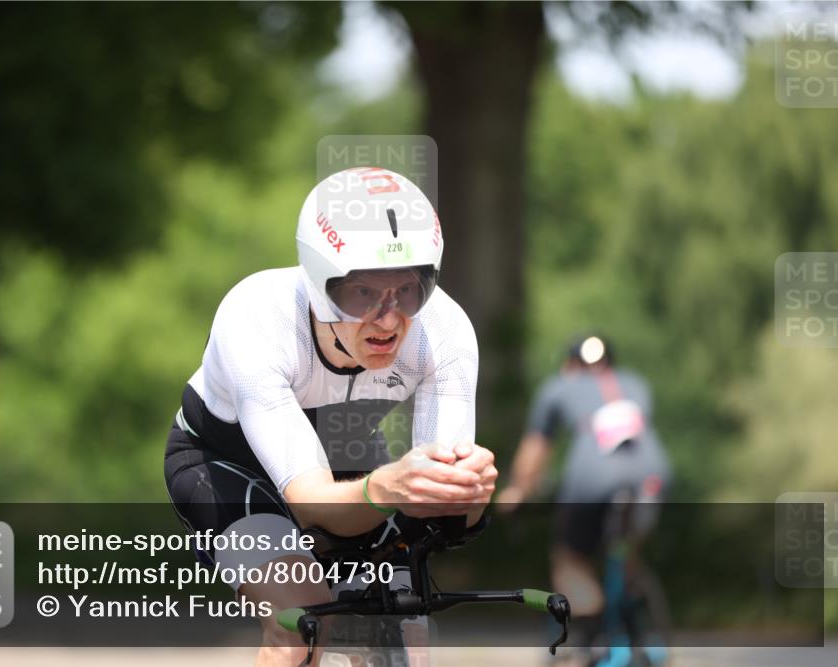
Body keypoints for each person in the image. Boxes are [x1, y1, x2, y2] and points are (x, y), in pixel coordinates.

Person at [164, 167, 497, 667]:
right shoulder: (256, 316)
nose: (389, 318)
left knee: (410, 632)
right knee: (302, 621)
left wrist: (466, 495)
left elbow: (446, 519)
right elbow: (309, 500)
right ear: (321, 285)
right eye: (363, 293)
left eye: (409, 290)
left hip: (346, 456)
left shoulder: (444, 330)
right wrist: (389, 489)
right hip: (226, 465)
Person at [496, 334, 672, 659]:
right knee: (626, 548)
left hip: (592, 476)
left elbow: (535, 452)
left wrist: (518, 491)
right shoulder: (635, 382)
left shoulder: (559, 386)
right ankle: (633, 608)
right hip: (652, 473)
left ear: (569, 365)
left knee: (571, 559)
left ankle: (591, 631)